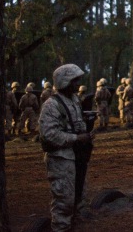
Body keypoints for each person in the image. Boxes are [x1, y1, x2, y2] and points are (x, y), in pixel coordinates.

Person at [39, 63, 95, 231]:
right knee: (64, 201)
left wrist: (87, 126)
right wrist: (77, 138)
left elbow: (74, 123)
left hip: (76, 157)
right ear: (64, 82)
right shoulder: (51, 105)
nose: (77, 84)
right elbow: (49, 135)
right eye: (74, 80)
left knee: (78, 197)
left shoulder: (74, 100)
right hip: (61, 159)